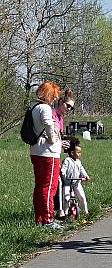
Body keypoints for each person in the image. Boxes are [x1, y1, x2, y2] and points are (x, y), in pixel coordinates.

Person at [28, 80, 69, 229]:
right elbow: (49, 126)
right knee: (49, 186)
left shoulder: (33, 106)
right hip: (48, 153)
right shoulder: (45, 108)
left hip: (35, 151)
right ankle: (48, 219)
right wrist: (53, 140)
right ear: (49, 94)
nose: (55, 99)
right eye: (54, 95)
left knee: (39, 186)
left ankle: (39, 218)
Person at [51, 89, 76, 218]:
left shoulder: (60, 119)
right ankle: (58, 211)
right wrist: (60, 143)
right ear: (60, 102)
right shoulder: (52, 114)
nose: (69, 109)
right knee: (58, 182)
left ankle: (59, 209)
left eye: (71, 108)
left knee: (60, 181)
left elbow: (59, 136)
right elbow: (50, 136)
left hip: (56, 154)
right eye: (68, 106)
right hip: (48, 153)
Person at [61, 139, 91, 217]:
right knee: (66, 198)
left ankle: (86, 212)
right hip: (67, 183)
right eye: (78, 152)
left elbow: (81, 169)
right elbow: (63, 170)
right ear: (72, 153)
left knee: (82, 197)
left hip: (77, 183)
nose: (80, 154)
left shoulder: (78, 161)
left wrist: (85, 175)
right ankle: (65, 213)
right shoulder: (67, 160)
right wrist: (63, 176)